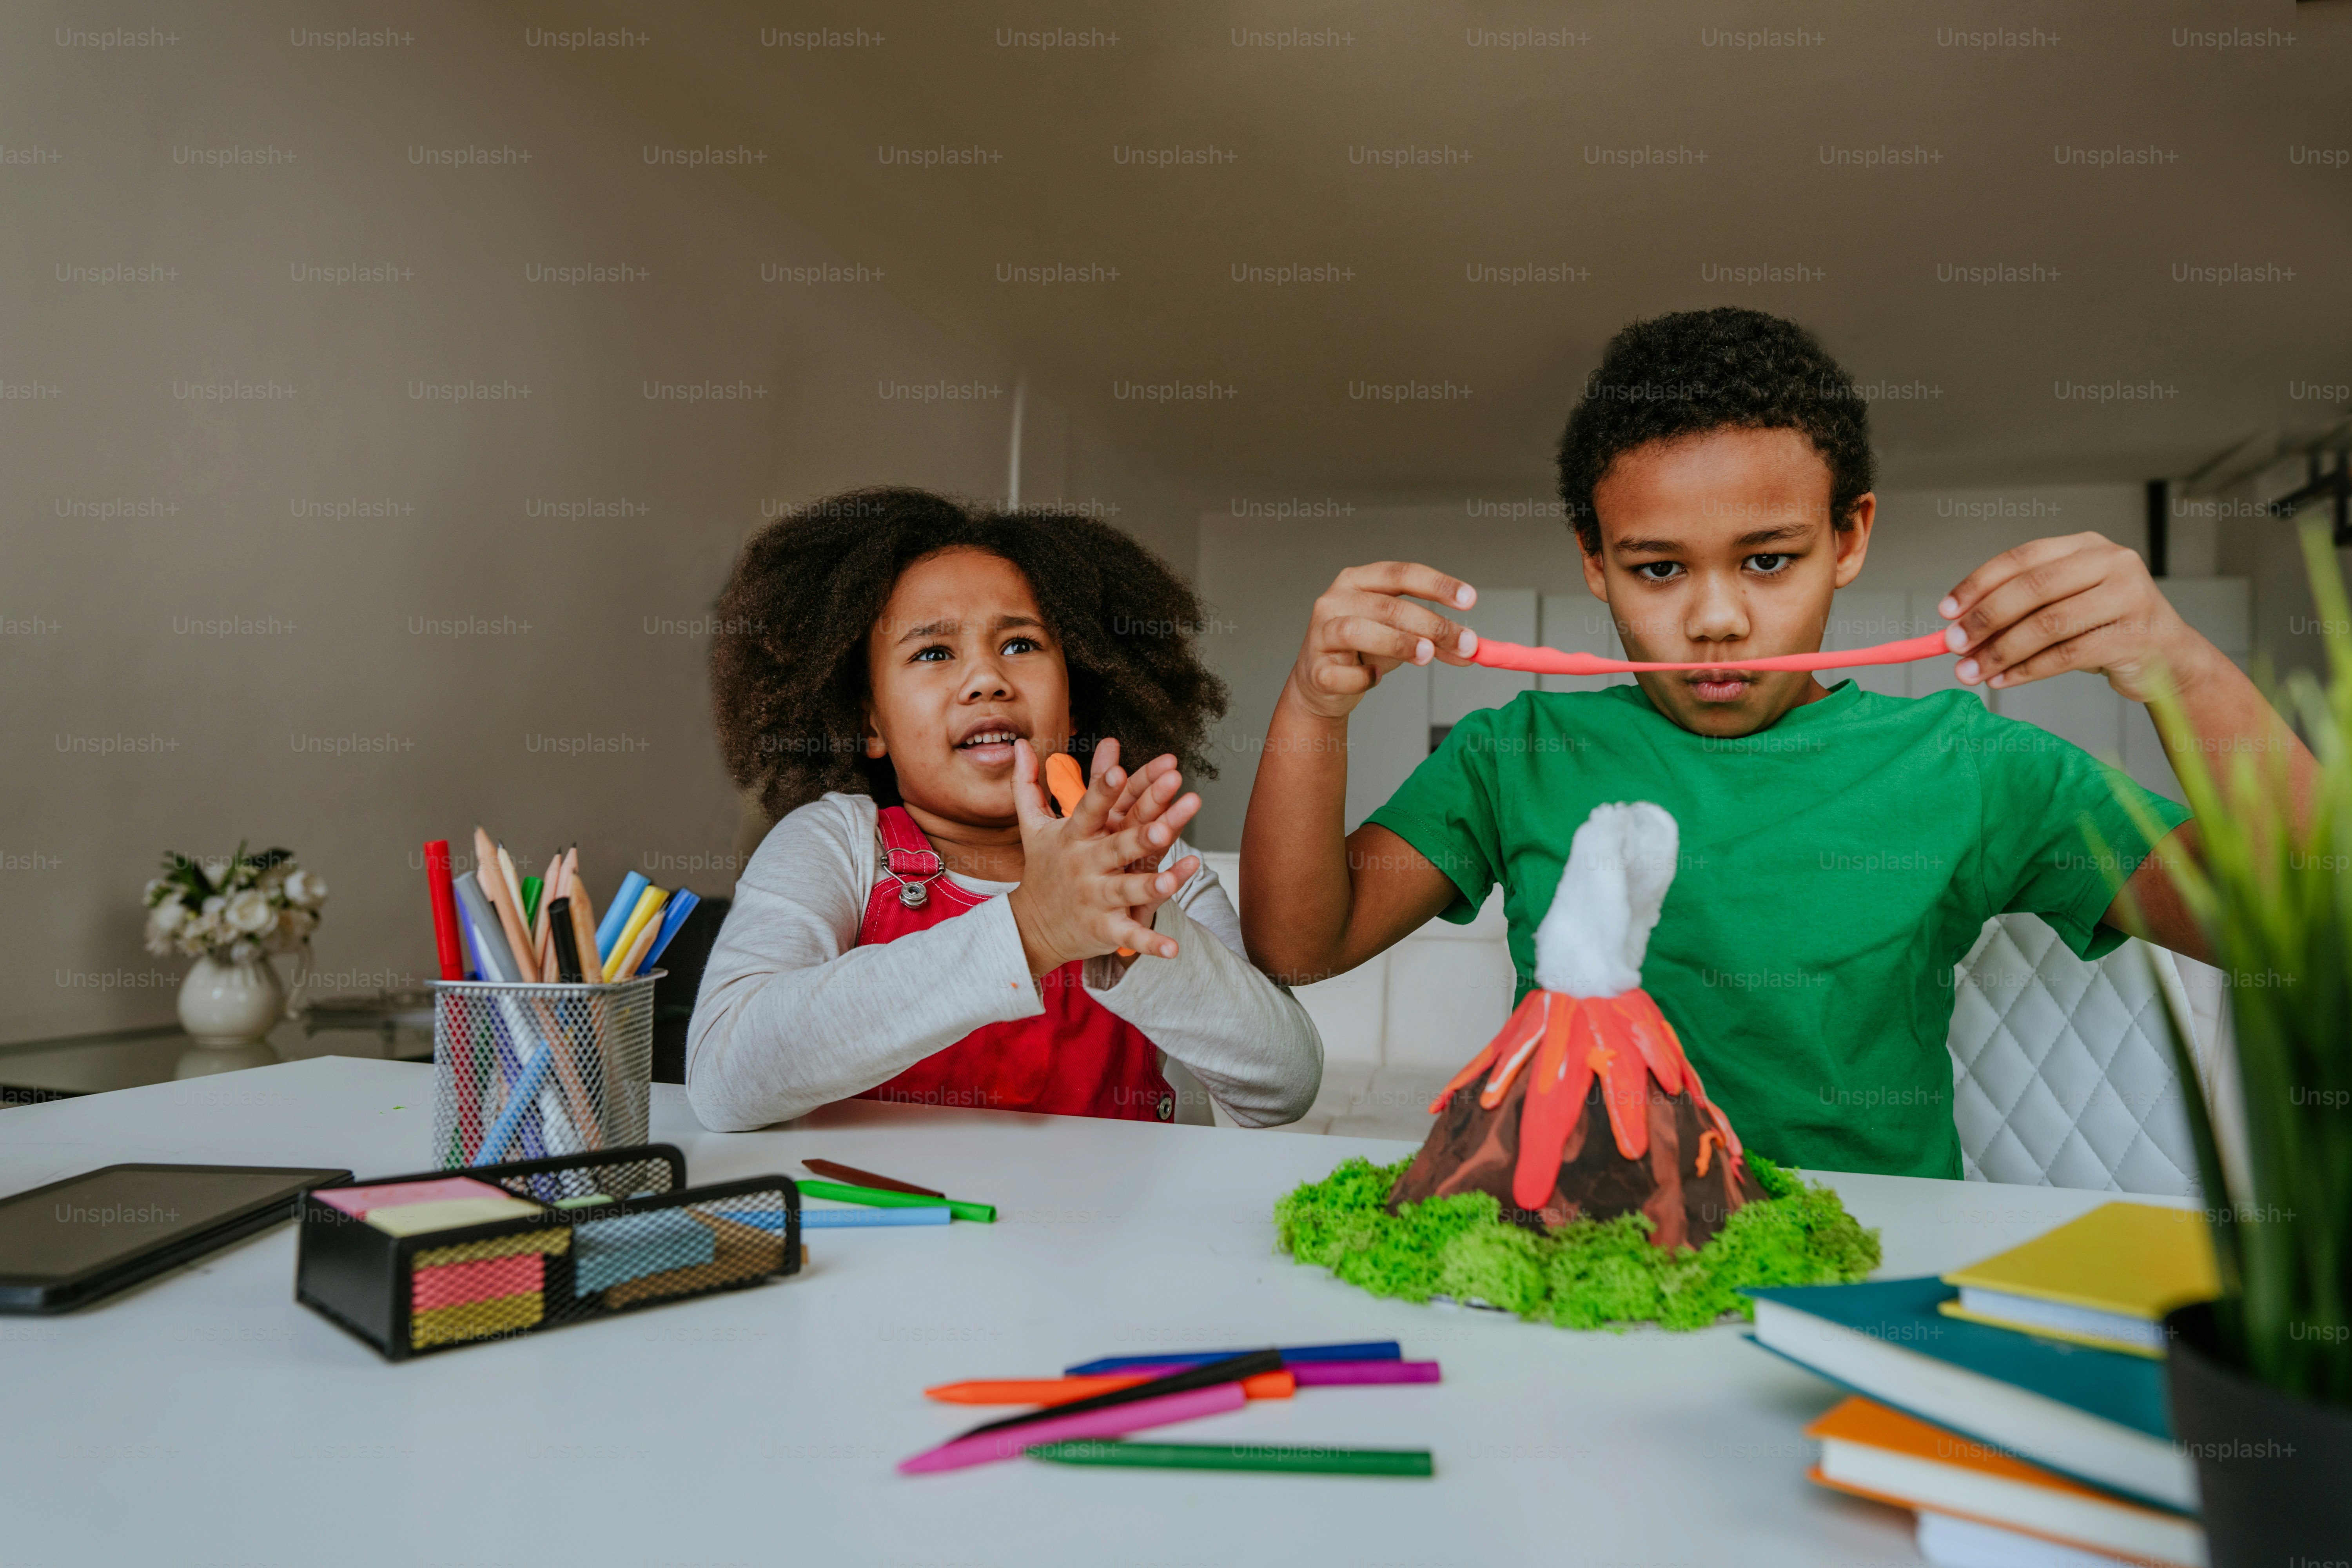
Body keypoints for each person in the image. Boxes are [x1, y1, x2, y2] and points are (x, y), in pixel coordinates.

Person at [1239, 307, 2303, 1178]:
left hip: (1872, 1265)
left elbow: (2303, 923)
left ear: (1848, 538)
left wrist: (2184, 666)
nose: (1716, 620)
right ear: (1595, 561)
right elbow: (1299, 946)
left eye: (1768, 562)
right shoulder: (1517, 750)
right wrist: (1313, 707)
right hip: (1576, 1248)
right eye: (1659, 569)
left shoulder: (1973, 766)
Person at [688, 487, 1321, 1132]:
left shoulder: (1151, 868)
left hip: (1106, 1231)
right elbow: (723, 1079)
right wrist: (1029, 929)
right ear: (871, 722)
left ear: (1073, 703)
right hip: (885, 1231)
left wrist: (1141, 925)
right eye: (933, 653)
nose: (988, 677)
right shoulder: (834, 846)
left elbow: (1286, 1084)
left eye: (1020, 644)